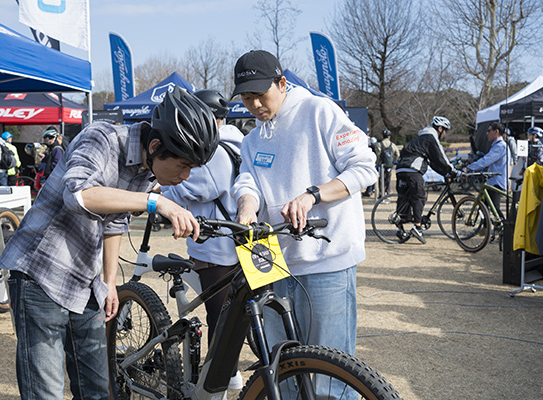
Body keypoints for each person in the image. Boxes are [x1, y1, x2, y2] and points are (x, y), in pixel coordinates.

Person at [0, 86, 219, 400]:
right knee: (45, 392)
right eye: (183, 165)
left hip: (84, 281)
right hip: (40, 271)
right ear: (155, 145)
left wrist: (110, 281)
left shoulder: (146, 168)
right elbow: (79, 195)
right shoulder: (101, 138)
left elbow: (115, 221)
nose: (185, 176)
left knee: (98, 390)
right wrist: (156, 202)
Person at [230, 50, 377, 399]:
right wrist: (247, 204)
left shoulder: (319, 111)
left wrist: (313, 195)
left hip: (326, 261)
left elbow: (364, 167)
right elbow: (248, 181)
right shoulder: (252, 138)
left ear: (282, 83)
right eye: (246, 98)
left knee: (331, 376)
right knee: (280, 370)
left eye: (260, 95)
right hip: (271, 263)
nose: (254, 105)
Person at [160, 89, 245, 390]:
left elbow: (196, 188)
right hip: (238, 242)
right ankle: (229, 375)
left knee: (220, 318)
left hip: (216, 247)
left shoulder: (216, 150)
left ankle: (219, 383)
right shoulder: (240, 142)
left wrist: (164, 192)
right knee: (233, 314)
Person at [395, 116, 457, 244]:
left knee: (405, 197)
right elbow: (441, 158)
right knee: (419, 196)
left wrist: (445, 173)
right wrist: (453, 171)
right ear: (440, 128)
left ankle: (400, 228)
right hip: (412, 170)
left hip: (401, 169)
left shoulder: (420, 139)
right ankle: (417, 227)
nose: (445, 134)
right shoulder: (431, 137)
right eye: (445, 131)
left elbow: (432, 163)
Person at [463, 122, 508, 220]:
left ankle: (504, 227)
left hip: (497, 181)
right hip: (492, 181)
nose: (487, 133)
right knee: (484, 206)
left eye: (489, 131)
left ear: (496, 132)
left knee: (495, 208)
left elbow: (486, 160)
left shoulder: (500, 146)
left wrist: (470, 168)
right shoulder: (497, 145)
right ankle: (485, 226)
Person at [375, 129, 400, 196]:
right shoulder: (392, 144)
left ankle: (381, 193)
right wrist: (394, 160)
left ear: (383, 136)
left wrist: (378, 162)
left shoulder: (379, 144)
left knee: (381, 179)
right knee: (388, 178)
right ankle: (388, 192)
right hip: (389, 164)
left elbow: (378, 155)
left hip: (381, 164)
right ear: (389, 136)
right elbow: (397, 154)